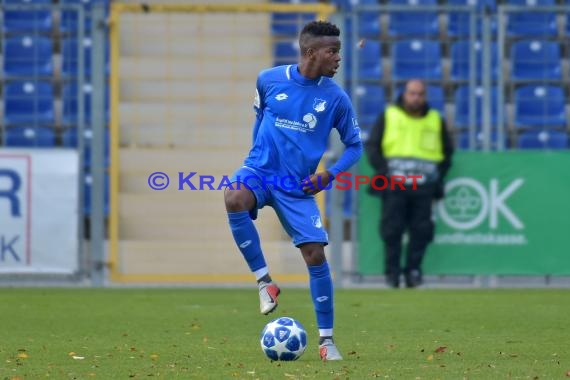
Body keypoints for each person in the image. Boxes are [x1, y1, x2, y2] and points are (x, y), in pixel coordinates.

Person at [224, 21, 362, 361]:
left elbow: (354, 147)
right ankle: (264, 282)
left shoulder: (335, 98)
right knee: (233, 197)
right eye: (333, 51)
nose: (338, 58)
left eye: (339, 51)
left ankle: (327, 342)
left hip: (297, 185)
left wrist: (328, 175)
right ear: (311, 52)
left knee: (315, 254)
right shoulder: (269, 79)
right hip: (260, 170)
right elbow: (259, 120)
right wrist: (256, 157)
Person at [365, 80, 453, 289]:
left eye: (420, 94)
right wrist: (385, 171)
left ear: (425, 96)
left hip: (424, 187)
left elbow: (447, 153)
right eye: (412, 93)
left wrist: (436, 178)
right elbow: (372, 147)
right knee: (392, 230)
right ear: (404, 94)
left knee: (421, 230)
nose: (416, 98)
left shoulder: (435, 119)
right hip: (394, 185)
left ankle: (414, 270)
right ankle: (392, 273)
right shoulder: (389, 116)